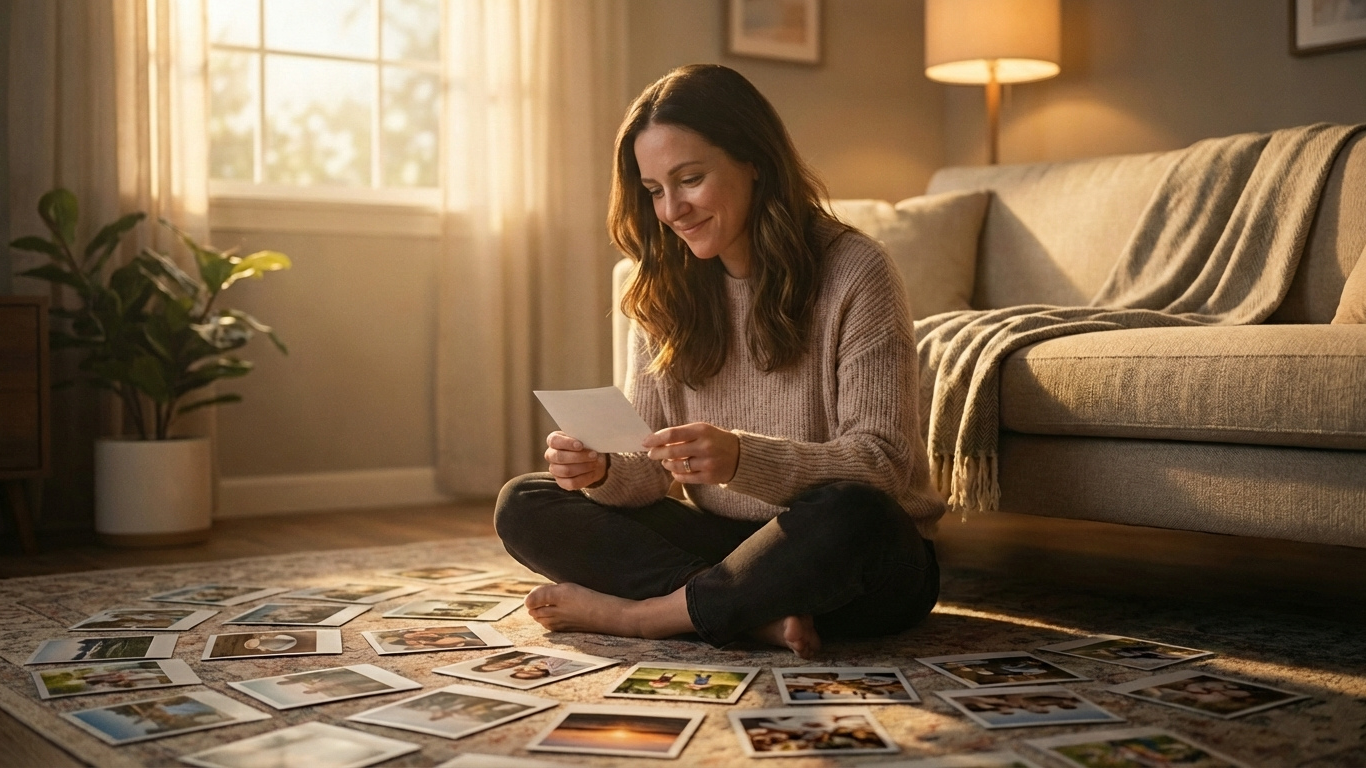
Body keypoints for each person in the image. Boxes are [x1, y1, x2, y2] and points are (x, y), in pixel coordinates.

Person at [494, 63, 944, 659]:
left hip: (851, 561)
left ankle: (648, 617)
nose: (672, 209)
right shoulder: (660, 289)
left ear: (754, 161)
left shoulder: (856, 270)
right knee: (526, 502)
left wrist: (741, 457)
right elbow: (652, 470)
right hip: (732, 552)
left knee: (856, 512)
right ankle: (746, 610)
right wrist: (601, 471)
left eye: (690, 179)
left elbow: (882, 465)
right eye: (654, 190)